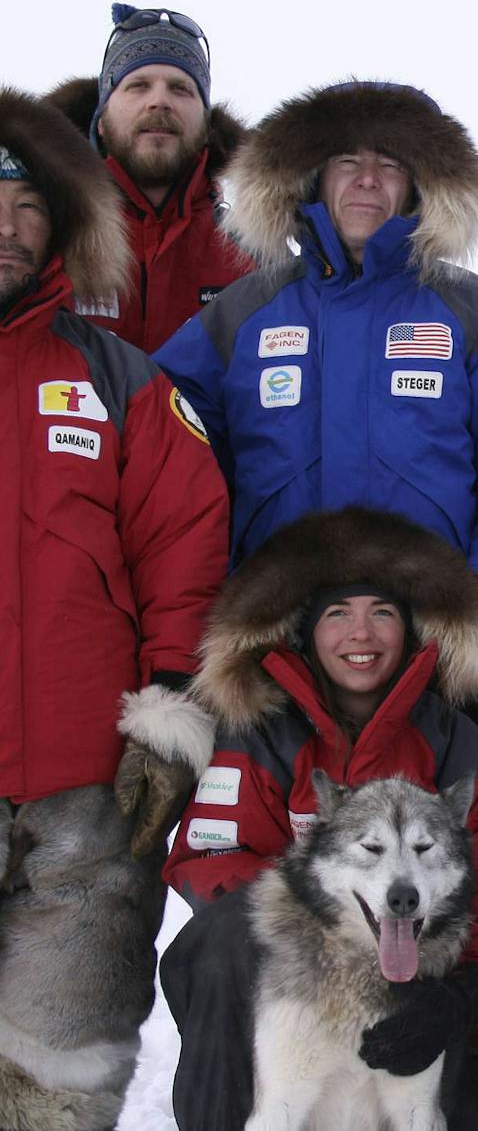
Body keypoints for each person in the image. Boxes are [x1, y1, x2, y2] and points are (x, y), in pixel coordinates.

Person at [154, 80, 478, 710]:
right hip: (277, 645)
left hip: (433, 646)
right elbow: (166, 468)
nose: (368, 182)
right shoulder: (239, 315)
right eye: (347, 162)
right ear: (311, 178)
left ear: (421, 186)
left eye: (391, 165)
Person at [161, 506, 478, 1131]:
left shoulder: (468, 756)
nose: (360, 635)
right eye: (338, 614)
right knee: (222, 938)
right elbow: (209, 858)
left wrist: (464, 998)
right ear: (305, 632)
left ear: (414, 631)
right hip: (285, 990)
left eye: (382, 613)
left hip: (424, 998)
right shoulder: (259, 738)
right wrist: (315, 925)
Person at [0, 88, 229, 1125]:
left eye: (28, 205)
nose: (7, 227)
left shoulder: (121, 380)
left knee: (63, 1070)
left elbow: (184, 545)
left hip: (89, 793)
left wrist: (174, 707)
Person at [44, 3, 252, 352]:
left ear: (206, 128)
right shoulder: (44, 236)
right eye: (138, 86)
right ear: (101, 122)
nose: (159, 101)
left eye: (181, 89)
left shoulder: (253, 255)